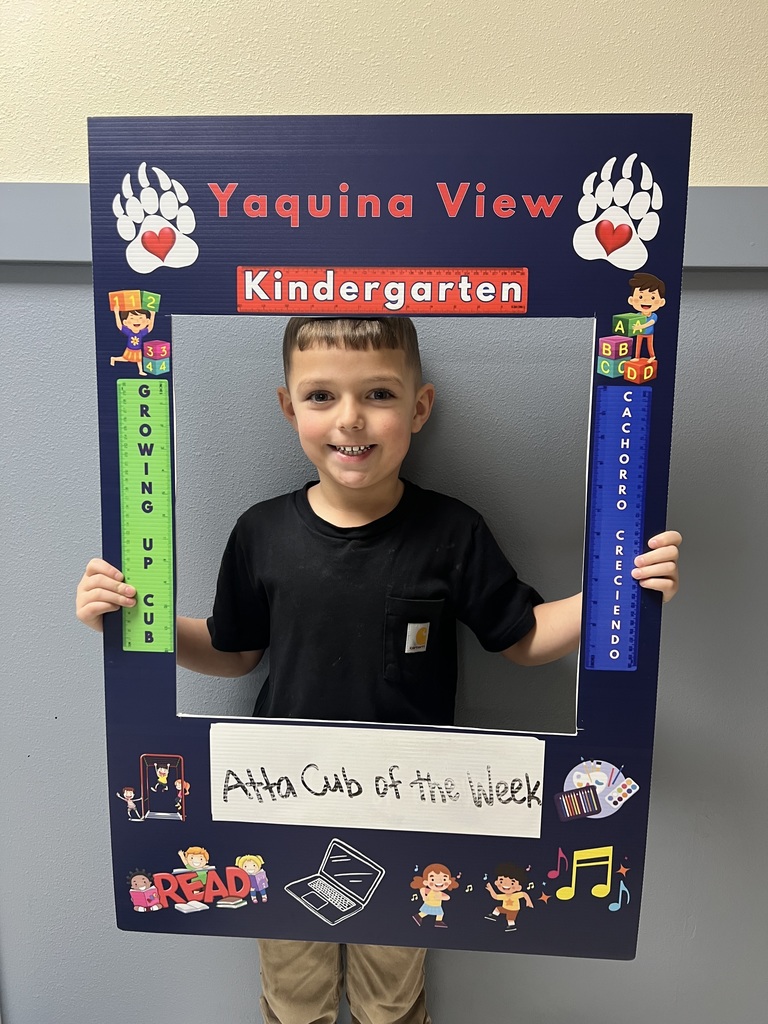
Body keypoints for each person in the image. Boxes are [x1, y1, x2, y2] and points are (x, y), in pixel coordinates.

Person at [77, 317, 681, 1024]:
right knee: (293, 998)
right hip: (282, 811)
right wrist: (136, 622)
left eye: (379, 394)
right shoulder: (259, 532)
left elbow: (522, 638)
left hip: (411, 813)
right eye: (321, 396)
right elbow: (232, 650)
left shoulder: (453, 532)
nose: (350, 419)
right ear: (288, 407)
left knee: (391, 997)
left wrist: (617, 591)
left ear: (419, 408)